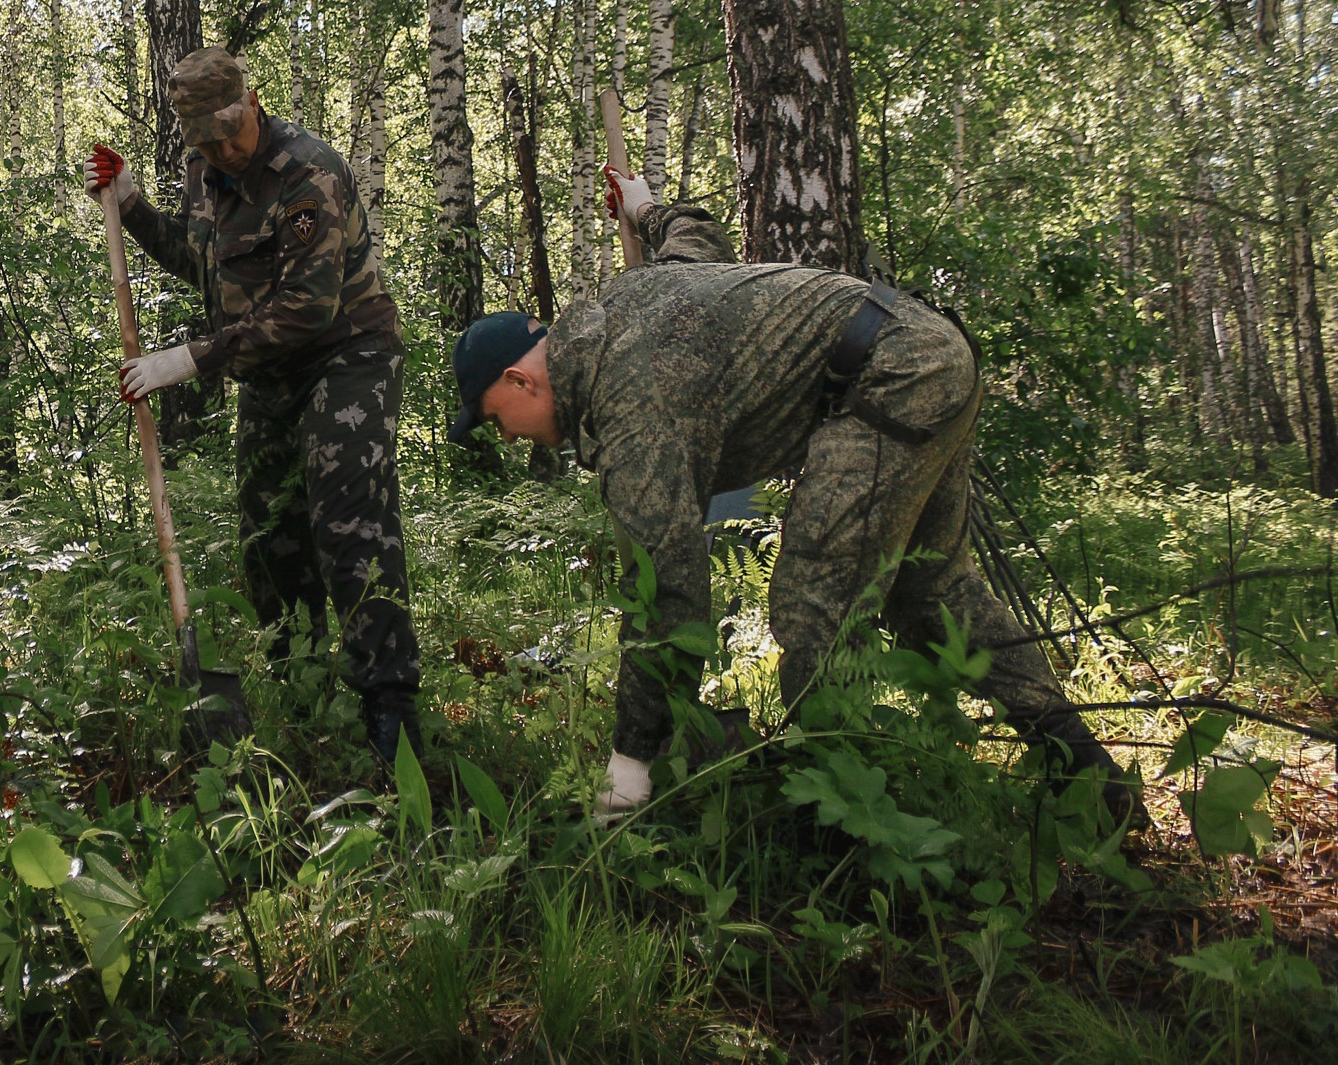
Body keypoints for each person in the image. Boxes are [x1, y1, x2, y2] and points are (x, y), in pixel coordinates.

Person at [449, 169, 1134, 822]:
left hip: (890, 378)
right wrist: (645, 207)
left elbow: (670, 594)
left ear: (522, 381)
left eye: (495, 421)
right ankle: (1090, 779)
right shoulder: (635, 297)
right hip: (924, 346)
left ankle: (843, 813)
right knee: (935, 590)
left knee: (811, 610)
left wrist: (631, 765)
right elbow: (697, 239)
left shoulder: (630, 402)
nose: (509, 440)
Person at [83, 47, 420, 761]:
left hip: (345, 352)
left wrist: (192, 357)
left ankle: (391, 711)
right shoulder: (208, 173)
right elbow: (204, 265)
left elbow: (307, 305)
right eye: (205, 139)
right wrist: (135, 206)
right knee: (269, 533)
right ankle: (300, 690)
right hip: (267, 369)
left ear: (253, 103)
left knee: (347, 515)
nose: (222, 150)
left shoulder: (308, 171)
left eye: (229, 133)